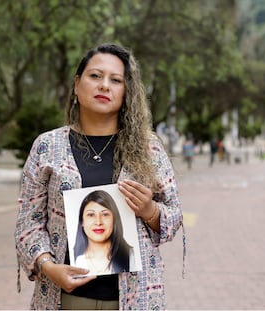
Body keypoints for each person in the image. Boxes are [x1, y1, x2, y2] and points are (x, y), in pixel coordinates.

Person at [15, 43, 184, 310]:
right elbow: (29, 223)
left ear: (126, 92)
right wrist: (49, 267)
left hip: (135, 298)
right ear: (77, 84)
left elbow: (173, 217)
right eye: (95, 76)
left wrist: (150, 210)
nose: (104, 85)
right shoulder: (48, 146)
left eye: (115, 80)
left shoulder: (148, 148)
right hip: (64, 299)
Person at [73, 190, 134, 276]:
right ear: (82, 221)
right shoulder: (76, 262)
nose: (98, 222)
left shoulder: (132, 257)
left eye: (105, 214)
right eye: (91, 215)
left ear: (114, 220)